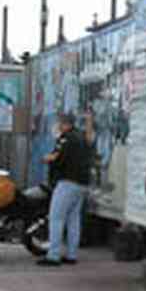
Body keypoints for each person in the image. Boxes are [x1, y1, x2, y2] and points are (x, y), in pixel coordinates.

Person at [39, 113, 92, 267]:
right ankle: (71, 254)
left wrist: (47, 159)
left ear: (65, 124)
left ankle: (53, 255)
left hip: (67, 182)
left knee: (56, 218)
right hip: (82, 184)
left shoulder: (65, 138)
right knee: (73, 219)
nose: (57, 126)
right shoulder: (81, 137)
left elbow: (58, 158)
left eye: (59, 123)